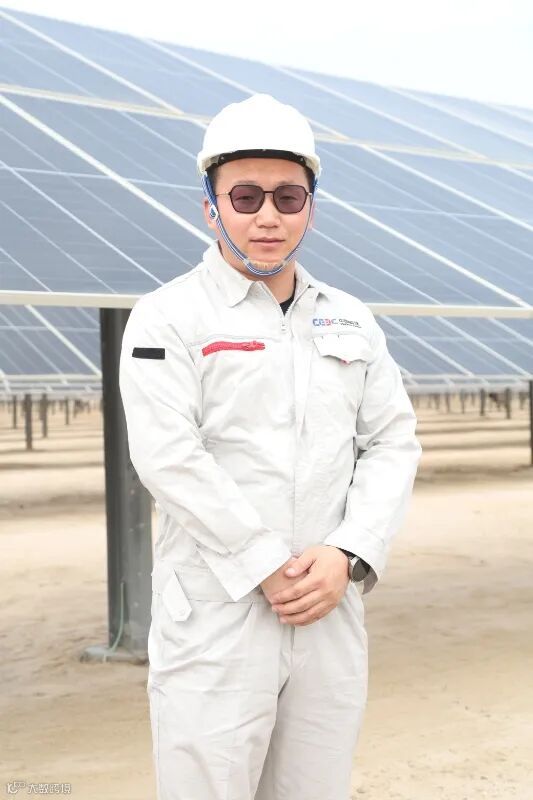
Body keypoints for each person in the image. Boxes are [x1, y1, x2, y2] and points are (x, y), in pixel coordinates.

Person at [119, 93, 422, 800]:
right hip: (218, 613)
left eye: (288, 197)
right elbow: (168, 455)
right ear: (210, 208)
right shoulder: (167, 316)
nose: (267, 216)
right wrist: (262, 563)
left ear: (310, 208)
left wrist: (348, 553)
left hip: (326, 605)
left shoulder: (350, 319)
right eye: (245, 196)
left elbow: (391, 441)